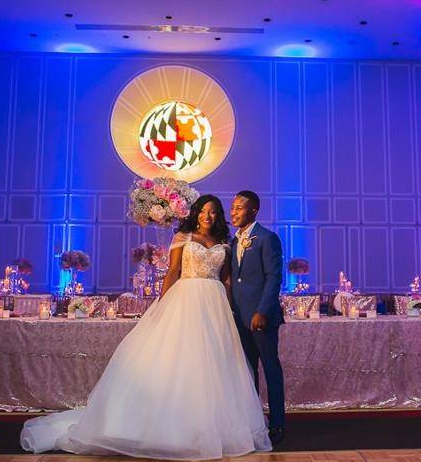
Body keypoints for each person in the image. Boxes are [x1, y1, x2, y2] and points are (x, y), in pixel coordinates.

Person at [20, 195, 271, 460]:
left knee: (217, 363)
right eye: (203, 211)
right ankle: (169, 425)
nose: (208, 216)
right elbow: (173, 272)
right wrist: (162, 305)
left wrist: (230, 308)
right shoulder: (183, 238)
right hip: (186, 298)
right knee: (181, 359)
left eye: (213, 212)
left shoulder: (223, 243)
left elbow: (227, 279)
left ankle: (213, 426)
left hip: (215, 303)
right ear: (196, 214)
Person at [229, 191, 286, 445]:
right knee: (246, 371)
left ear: (253, 211)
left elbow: (274, 278)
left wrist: (262, 311)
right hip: (239, 318)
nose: (234, 212)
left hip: (261, 317)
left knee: (270, 368)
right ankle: (252, 424)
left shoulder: (267, 238)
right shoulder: (232, 242)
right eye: (232, 207)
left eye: (240, 208)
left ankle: (277, 425)